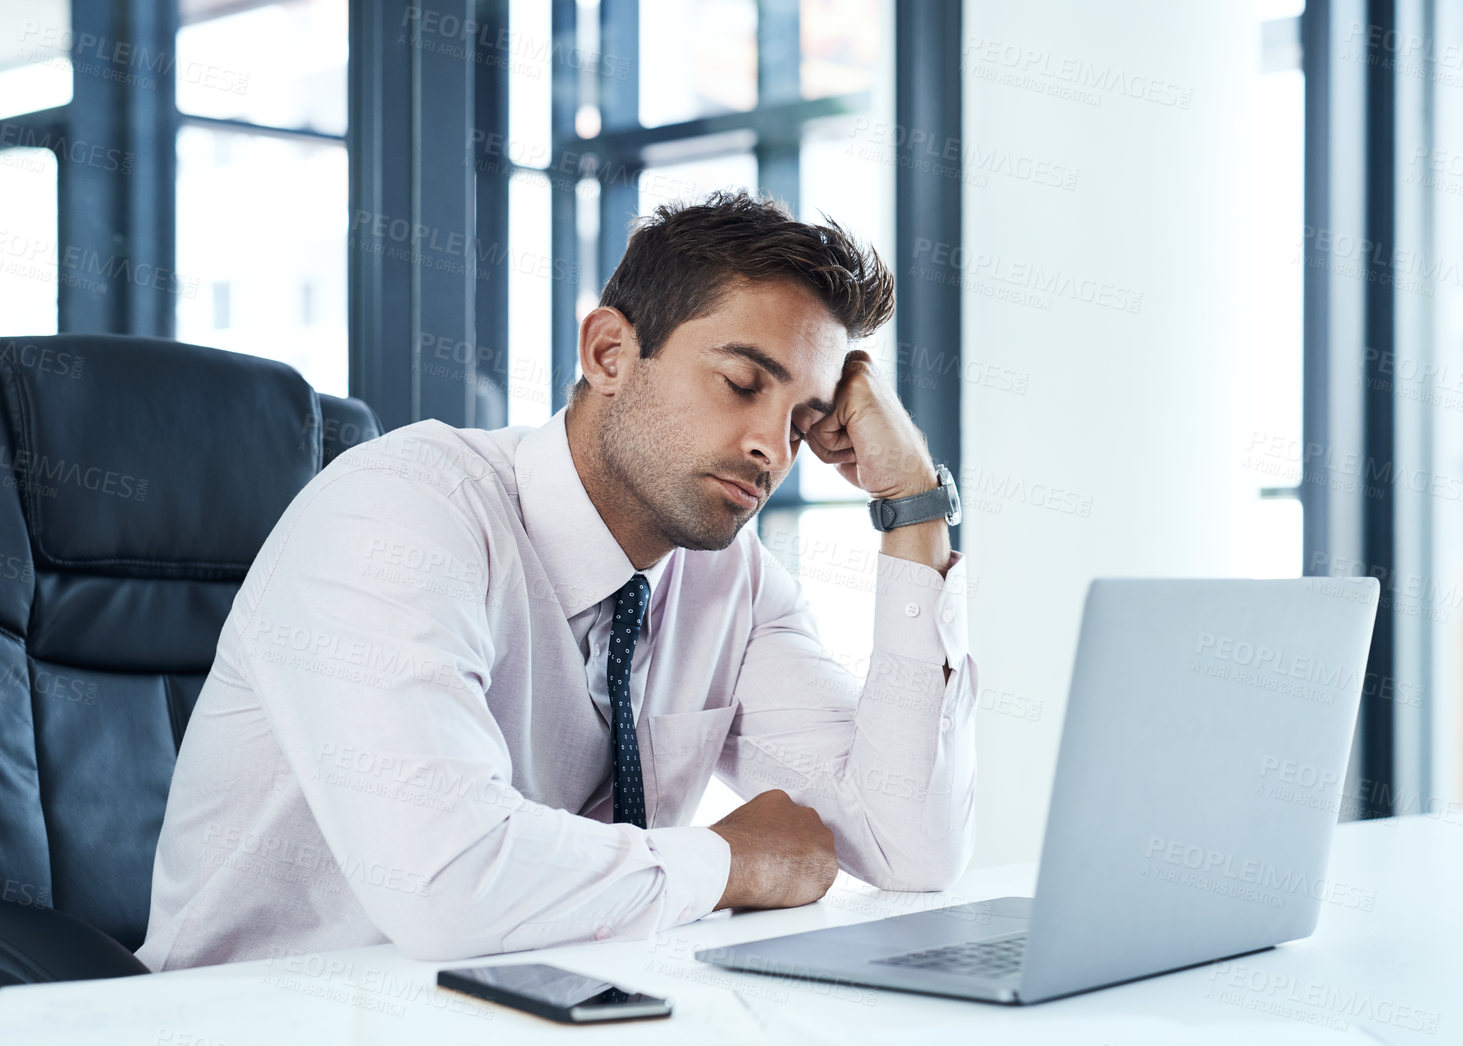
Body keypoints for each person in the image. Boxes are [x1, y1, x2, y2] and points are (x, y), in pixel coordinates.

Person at [137, 189, 979, 970]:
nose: (774, 447)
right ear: (609, 351)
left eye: (803, 418)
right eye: (740, 383)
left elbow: (910, 844)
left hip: (533, 1035)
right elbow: (452, 884)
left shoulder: (731, 585)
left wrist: (912, 504)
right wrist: (730, 860)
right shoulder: (398, 513)